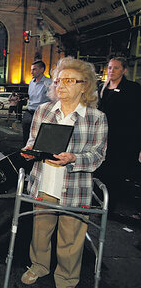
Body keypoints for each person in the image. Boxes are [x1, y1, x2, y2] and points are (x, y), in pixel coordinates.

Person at [20, 57, 107, 287]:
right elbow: (32, 141)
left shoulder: (96, 118)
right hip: (44, 183)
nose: (61, 85)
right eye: (58, 81)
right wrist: (30, 151)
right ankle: (38, 265)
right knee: (40, 232)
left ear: (84, 85)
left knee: (71, 238)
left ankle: (67, 278)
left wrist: (74, 159)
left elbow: (98, 155)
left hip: (76, 189)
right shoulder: (43, 111)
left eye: (69, 80)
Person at [95, 57, 141, 216]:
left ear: (124, 70)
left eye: (115, 68)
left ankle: (109, 207)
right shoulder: (102, 87)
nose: (111, 71)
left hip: (122, 140)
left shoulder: (133, 88)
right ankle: (99, 203)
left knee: (115, 174)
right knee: (100, 171)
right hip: (103, 137)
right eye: (109, 68)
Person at [22, 60, 51, 144]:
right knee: (26, 138)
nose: (31, 72)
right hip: (29, 113)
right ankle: (26, 154)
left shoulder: (49, 83)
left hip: (41, 114)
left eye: (34, 69)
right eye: (31, 69)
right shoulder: (31, 82)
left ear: (42, 70)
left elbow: (52, 101)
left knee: (38, 139)